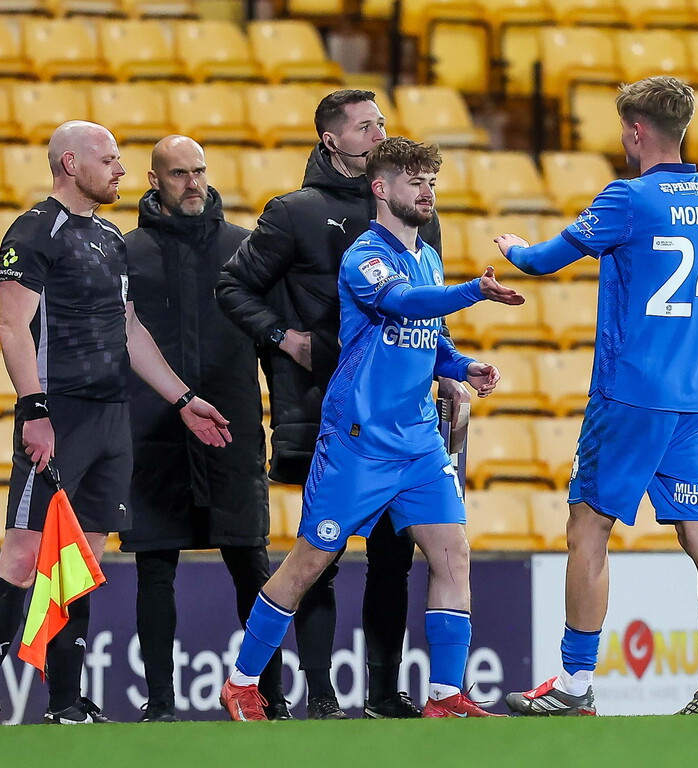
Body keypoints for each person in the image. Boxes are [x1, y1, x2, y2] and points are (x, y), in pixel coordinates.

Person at [218, 136, 522, 721]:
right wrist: (473, 291)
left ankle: (444, 696)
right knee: (309, 561)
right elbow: (402, 304)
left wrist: (463, 367)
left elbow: (427, 336)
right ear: (380, 189)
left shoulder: (427, 255)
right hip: (358, 442)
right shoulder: (366, 256)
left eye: (431, 180)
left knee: (452, 553)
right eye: (415, 181)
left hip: (417, 442)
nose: (427, 191)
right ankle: (241, 680)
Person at [0, 121, 232, 726]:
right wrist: (33, 408)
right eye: (109, 160)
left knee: (80, 562)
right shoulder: (33, 232)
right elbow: (11, 327)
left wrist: (182, 398)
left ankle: (64, 702)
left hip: (114, 418)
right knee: (25, 555)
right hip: (60, 414)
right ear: (69, 162)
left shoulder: (111, 236)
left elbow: (131, 330)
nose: (121, 171)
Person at [496, 76, 698, 716]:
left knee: (588, 526)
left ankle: (575, 685)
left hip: (632, 392)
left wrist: (514, 249)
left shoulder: (628, 198)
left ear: (635, 132)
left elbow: (545, 260)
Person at [120, 135, 287, 722]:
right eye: (178, 174)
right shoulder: (127, 253)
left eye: (199, 171)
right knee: (154, 566)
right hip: (152, 436)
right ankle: (160, 705)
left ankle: (269, 697)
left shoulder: (247, 249)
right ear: (153, 180)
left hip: (234, 428)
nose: (193, 183)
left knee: (252, 565)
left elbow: (275, 339)